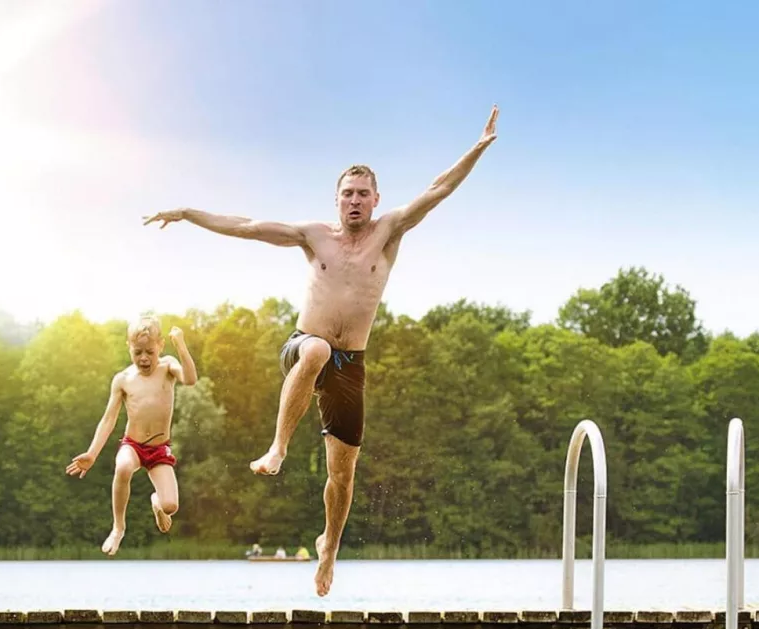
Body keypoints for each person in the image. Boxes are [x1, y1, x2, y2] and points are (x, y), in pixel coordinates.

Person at [143, 106, 499, 595]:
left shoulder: (389, 231)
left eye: (362, 194)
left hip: (352, 363)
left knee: (342, 474)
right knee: (316, 353)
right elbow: (247, 225)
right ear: (336, 200)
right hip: (303, 345)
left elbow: (439, 189)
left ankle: (328, 546)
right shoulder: (314, 237)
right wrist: (188, 213)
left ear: (376, 200)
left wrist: (477, 148)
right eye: (347, 194)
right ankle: (278, 448)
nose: (355, 201)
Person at [65, 316, 198, 555]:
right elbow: (108, 419)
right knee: (124, 467)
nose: (144, 358)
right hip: (133, 445)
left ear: (160, 346)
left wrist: (181, 345)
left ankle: (156, 504)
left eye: (150, 351)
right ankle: (118, 528)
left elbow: (190, 379)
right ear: (129, 347)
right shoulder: (123, 380)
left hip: (159, 449)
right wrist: (92, 453)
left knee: (171, 506)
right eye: (138, 352)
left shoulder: (168, 366)